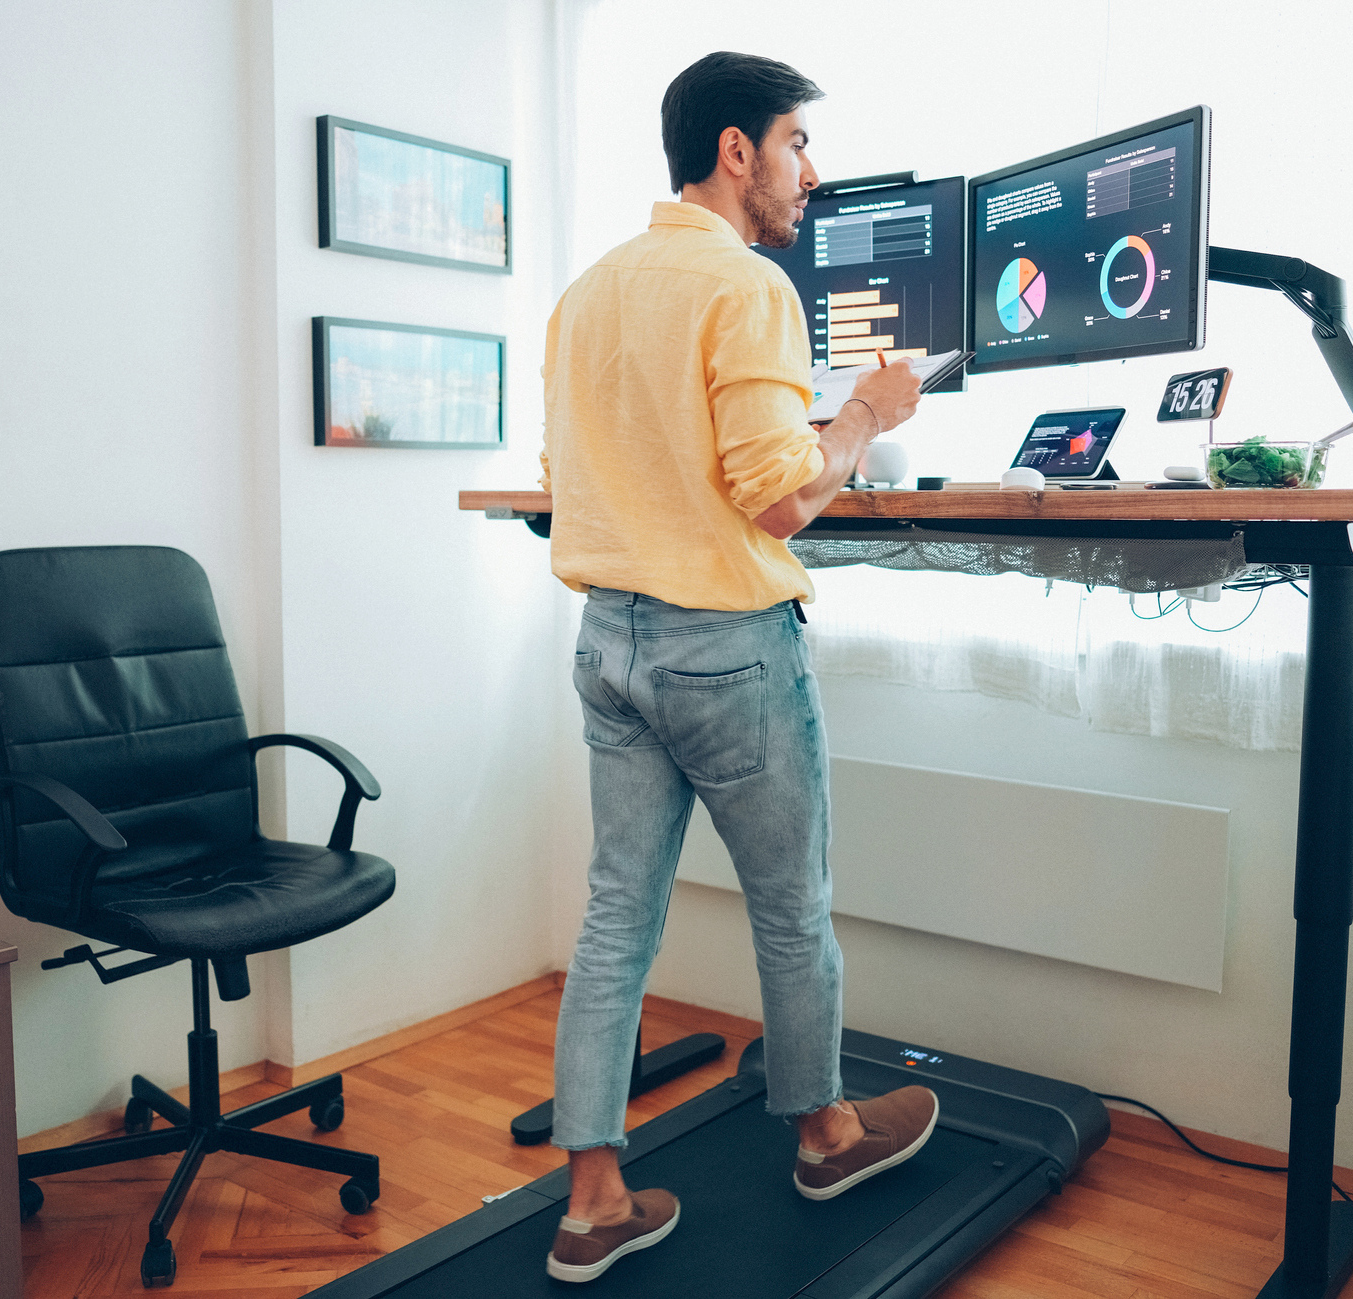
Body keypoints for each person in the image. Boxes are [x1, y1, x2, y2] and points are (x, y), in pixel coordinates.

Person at [535, 49, 938, 1284]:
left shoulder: (590, 291)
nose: (807, 173)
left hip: (607, 641)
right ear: (735, 150)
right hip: (721, 648)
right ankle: (823, 1133)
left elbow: (568, 483)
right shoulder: (748, 285)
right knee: (788, 903)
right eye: (798, 144)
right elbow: (780, 501)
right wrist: (868, 413)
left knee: (613, 917)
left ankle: (592, 1200)